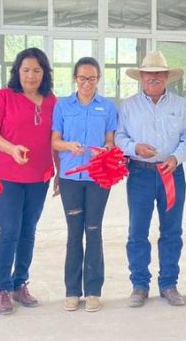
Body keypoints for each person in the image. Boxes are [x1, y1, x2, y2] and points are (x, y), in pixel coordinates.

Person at [115, 50, 186, 307]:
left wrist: (175, 157)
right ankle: (139, 285)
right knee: (137, 231)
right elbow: (119, 137)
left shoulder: (180, 105)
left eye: (158, 74)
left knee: (172, 231)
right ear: (141, 77)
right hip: (140, 174)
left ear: (166, 76)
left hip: (172, 173)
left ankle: (169, 284)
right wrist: (135, 148)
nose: (153, 78)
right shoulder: (128, 106)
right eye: (148, 74)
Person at [0, 47, 57, 315]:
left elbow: (55, 140)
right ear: (17, 71)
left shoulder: (51, 101)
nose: (31, 75)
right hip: (8, 176)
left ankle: (20, 283)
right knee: (9, 230)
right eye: (26, 70)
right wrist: (12, 148)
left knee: (28, 230)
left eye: (37, 70)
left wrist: (59, 173)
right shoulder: (4, 96)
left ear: (44, 73)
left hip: (40, 177)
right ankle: (3, 288)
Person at [51, 57, 118, 313]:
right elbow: (55, 141)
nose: (86, 83)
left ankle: (93, 291)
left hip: (98, 177)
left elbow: (110, 141)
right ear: (75, 79)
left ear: (98, 79)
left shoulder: (108, 107)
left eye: (91, 78)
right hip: (70, 178)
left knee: (93, 230)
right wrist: (69, 146)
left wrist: (106, 149)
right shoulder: (62, 106)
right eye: (82, 78)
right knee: (74, 233)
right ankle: (71, 291)